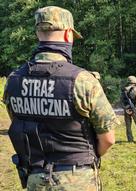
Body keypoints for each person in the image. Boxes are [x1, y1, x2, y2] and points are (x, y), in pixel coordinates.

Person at [3, 6, 119, 191]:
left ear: (37, 33)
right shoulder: (82, 81)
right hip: (78, 180)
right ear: (67, 35)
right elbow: (108, 138)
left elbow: (20, 121)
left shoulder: (13, 81)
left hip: (36, 179)